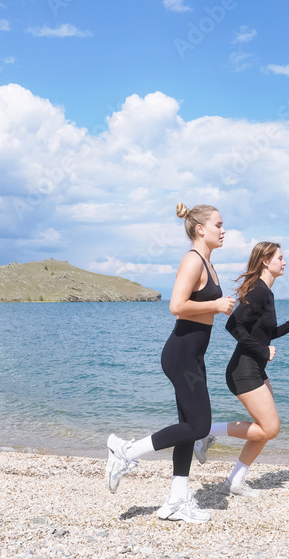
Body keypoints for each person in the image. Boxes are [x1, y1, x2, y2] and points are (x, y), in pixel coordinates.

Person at [105, 203, 235, 524]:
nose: (224, 230)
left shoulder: (208, 263)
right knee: (200, 426)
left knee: (188, 430)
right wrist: (217, 305)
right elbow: (176, 305)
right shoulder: (193, 261)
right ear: (200, 229)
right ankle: (126, 452)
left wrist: (220, 306)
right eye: (218, 225)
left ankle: (177, 501)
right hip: (181, 355)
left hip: (192, 355)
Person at [193, 241, 289, 497]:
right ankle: (205, 432)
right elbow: (233, 325)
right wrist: (263, 352)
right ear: (266, 261)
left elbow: (261, 334)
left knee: (264, 430)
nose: (284, 262)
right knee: (270, 428)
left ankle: (235, 481)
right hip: (244, 371)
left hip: (254, 369)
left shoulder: (266, 293)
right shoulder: (259, 292)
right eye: (280, 258)